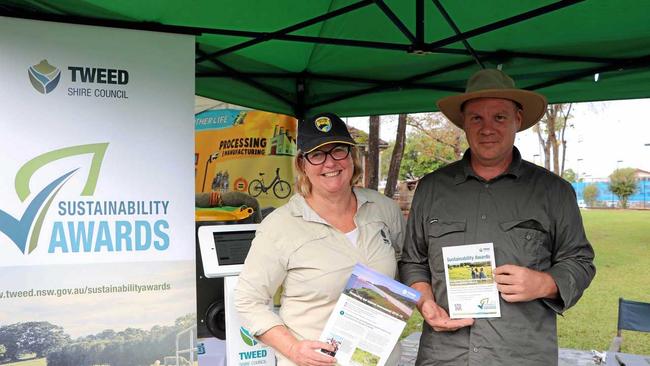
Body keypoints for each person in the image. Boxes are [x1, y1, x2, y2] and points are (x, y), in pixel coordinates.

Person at [399, 69, 596, 366]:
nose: (487, 128)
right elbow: (413, 261)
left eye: (499, 117)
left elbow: (579, 261)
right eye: (476, 118)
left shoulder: (554, 191)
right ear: (464, 123)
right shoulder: (432, 188)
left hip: (520, 355)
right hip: (444, 355)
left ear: (518, 119)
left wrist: (544, 283)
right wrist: (425, 302)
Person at [235, 112, 405, 366]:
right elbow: (248, 300)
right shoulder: (280, 226)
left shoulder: (384, 209)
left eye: (338, 150)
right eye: (317, 154)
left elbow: (403, 265)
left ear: (351, 156)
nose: (330, 163)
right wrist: (293, 349)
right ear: (302, 164)